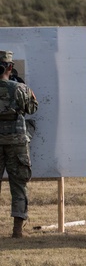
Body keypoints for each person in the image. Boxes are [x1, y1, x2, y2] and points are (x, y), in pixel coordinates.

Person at [0, 50, 39, 238]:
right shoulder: (19, 89)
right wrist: (23, 86)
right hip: (16, 142)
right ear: (10, 67)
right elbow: (32, 108)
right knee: (19, 185)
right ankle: (17, 231)